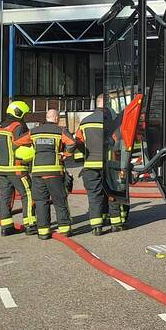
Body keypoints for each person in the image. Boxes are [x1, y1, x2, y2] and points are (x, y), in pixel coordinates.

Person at [74, 95, 122, 235]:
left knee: (94, 195)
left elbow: (78, 142)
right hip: (108, 164)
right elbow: (117, 142)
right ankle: (116, 223)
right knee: (112, 193)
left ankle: (96, 227)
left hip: (90, 165)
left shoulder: (85, 122)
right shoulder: (111, 122)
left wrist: (85, 154)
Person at [29, 109, 76, 240]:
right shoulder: (60, 130)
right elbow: (72, 143)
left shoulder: (34, 131)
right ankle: (65, 229)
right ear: (56, 118)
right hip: (54, 171)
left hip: (37, 172)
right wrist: (65, 154)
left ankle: (43, 231)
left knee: (40, 201)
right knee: (59, 200)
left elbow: (18, 142)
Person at [0, 101, 37, 236]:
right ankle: (30, 225)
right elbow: (22, 143)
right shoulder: (18, 126)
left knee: (5, 197)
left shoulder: (0, 127)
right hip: (17, 168)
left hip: (2, 169)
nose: (25, 117)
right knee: (28, 194)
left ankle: (6, 227)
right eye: (24, 114)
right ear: (19, 113)